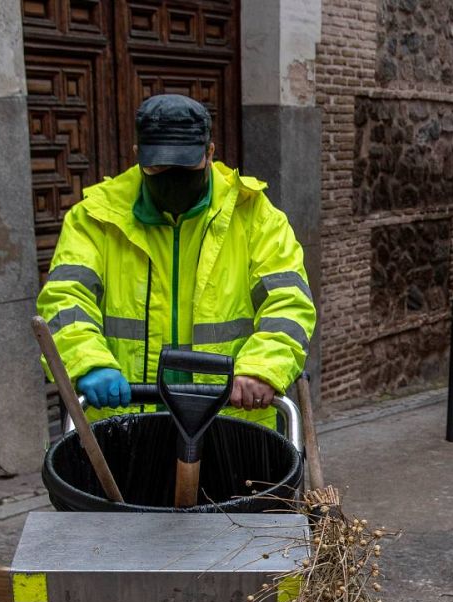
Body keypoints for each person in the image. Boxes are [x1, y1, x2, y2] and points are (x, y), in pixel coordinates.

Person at [36, 94, 315, 426]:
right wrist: (88, 361)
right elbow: (65, 299)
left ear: (210, 153)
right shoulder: (94, 219)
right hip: (125, 423)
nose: (171, 176)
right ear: (139, 156)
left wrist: (262, 367)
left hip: (231, 422)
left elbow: (289, 303)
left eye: (184, 166)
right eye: (158, 167)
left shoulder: (255, 217)